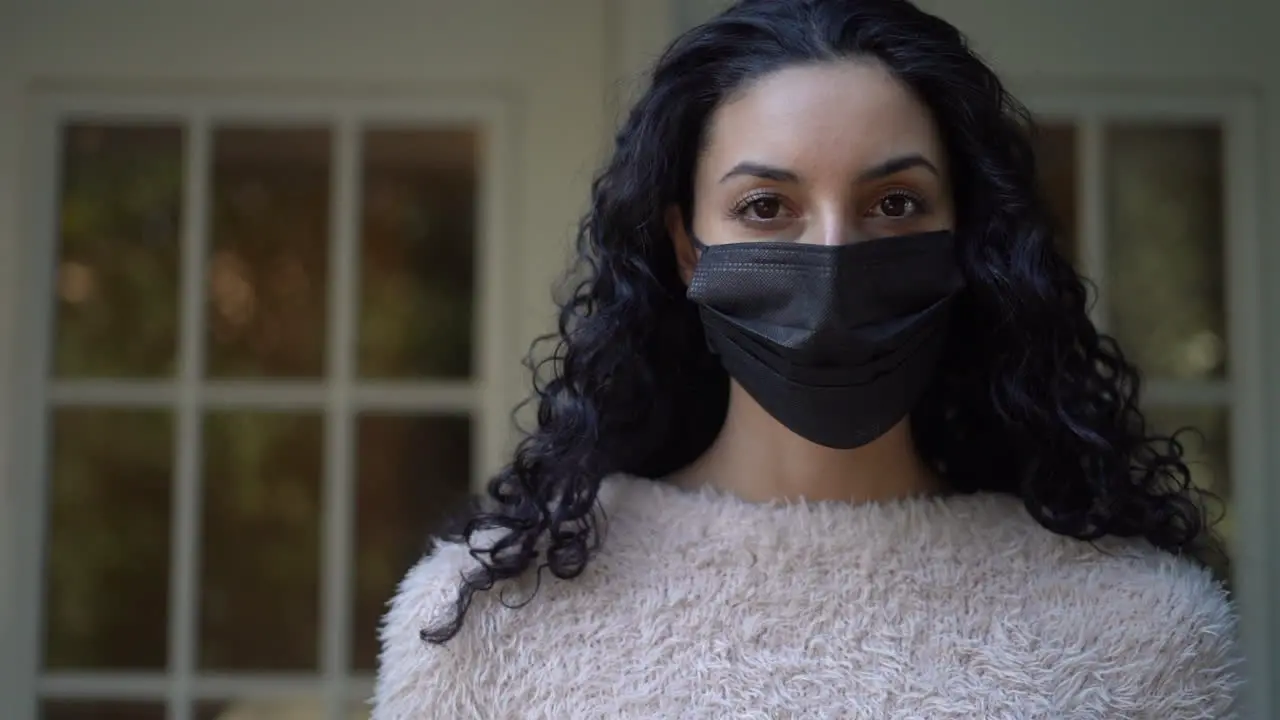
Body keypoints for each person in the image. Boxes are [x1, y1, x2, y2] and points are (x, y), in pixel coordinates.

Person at [373, 0, 1241, 717]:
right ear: (686, 246)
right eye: (765, 206)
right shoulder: (484, 623)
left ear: (965, 237)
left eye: (895, 202)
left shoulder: (1140, 634)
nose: (832, 256)